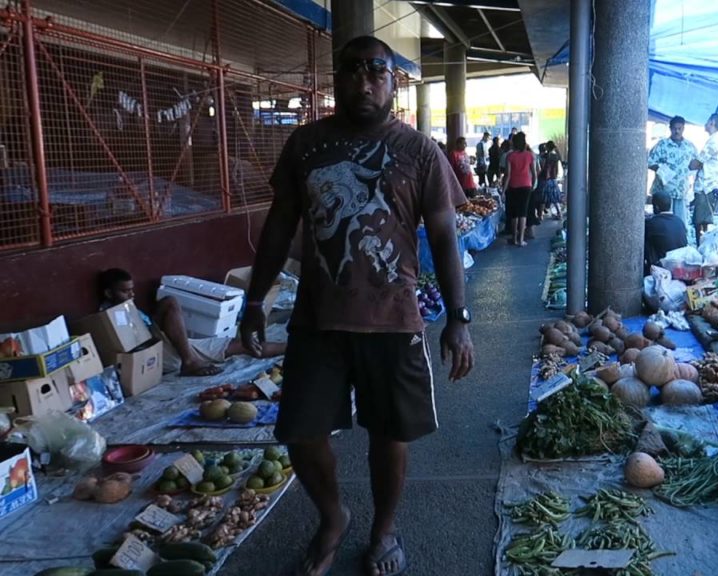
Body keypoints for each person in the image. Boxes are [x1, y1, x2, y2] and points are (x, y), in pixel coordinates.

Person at [237, 36, 474, 576]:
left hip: (392, 320)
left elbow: (444, 237)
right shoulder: (305, 145)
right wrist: (255, 297)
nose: (365, 82)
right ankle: (333, 515)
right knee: (299, 431)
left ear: (393, 82)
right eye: (353, 71)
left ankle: (384, 529)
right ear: (337, 79)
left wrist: (458, 319)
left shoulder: (419, 151)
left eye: (378, 72)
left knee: (388, 434)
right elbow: (278, 227)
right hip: (316, 319)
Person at [97, 268, 286, 377]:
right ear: (108, 293)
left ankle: (294, 348)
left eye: (132, 290)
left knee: (242, 344)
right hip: (157, 355)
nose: (131, 295)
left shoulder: (130, 308)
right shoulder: (107, 316)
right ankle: (189, 361)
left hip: (171, 345)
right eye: (125, 292)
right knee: (170, 303)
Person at [648, 115, 697, 242]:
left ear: (683, 129)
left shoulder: (689, 146)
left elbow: (695, 165)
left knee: (680, 222)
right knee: (663, 223)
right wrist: (662, 170)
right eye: (674, 128)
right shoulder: (662, 145)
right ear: (670, 129)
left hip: (681, 191)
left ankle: (680, 245)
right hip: (664, 192)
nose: (677, 131)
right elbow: (650, 162)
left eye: (679, 128)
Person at [689, 113, 718, 245]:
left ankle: (702, 248)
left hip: (706, 187)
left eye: (707, 121)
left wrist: (688, 161)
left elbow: (696, 164)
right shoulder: (717, 140)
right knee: (704, 221)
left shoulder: (713, 142)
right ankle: (704, 247)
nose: (705, 124)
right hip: (709, 186)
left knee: (700, 222)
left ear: (712, 123)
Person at [502, 132, 536, 247]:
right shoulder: (530, 155)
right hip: (526, 186)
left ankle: (514, 238)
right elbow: (534, 173)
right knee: (523, 213)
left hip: (513, 187)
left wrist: (503, 190)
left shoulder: (509, 156)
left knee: (514, 214)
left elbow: (507, 174)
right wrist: (533, 185)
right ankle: (521, 240)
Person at [644, 193, 686, 274]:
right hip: (681, 265)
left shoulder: (652, 223)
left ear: (656, 207)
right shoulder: (679, 221)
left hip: (662, 267)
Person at [541, 140, 562, 220]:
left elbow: (546, 167)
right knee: (554, 197)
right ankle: (558, 212)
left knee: (545, 196)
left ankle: (541, 214)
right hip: (553, 177)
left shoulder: (547, 155)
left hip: (547, 177)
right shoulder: (556, 156)